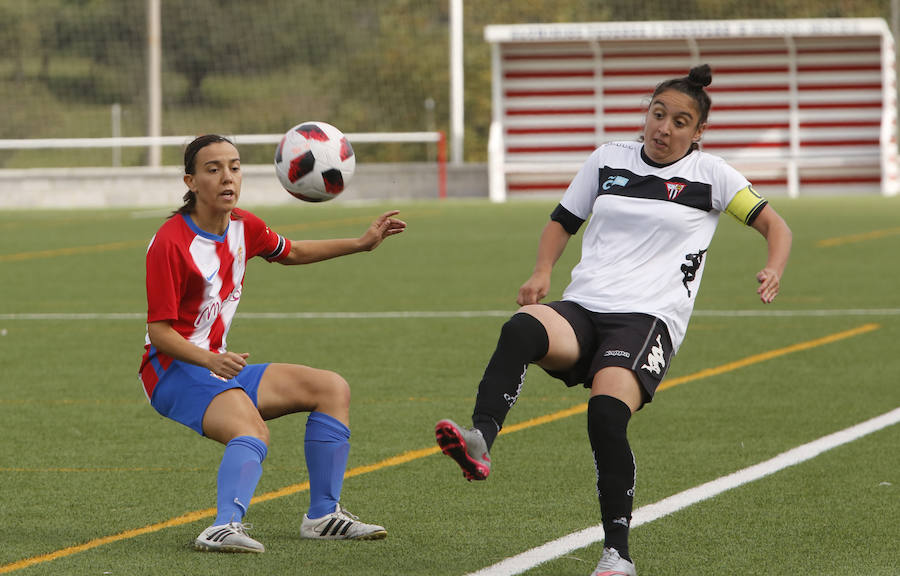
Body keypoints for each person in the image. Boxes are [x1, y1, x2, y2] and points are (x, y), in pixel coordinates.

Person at [434, 64, 791, 576]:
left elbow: (775, 226)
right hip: (584, 307)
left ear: (699, 132)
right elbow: (562, 222)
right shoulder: (608, 160)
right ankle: (480, 440)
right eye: (658, 113)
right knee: (521, 328)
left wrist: (772, 267)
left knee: (605, 416)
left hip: (647, 321)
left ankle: (616, 555)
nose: (664, 128)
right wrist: (541, 272)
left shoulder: (712, 175)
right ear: (646, 113)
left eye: (680, 122)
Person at [139, 134, 406, 553]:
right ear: (190, 181)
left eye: (235, 166)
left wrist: (360, 244)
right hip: (171, 371)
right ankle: (223, 526)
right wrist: (211, 358)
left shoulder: (246, 226)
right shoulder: (171, 243)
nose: (228, 177)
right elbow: (160, 333)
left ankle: (322, 516)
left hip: (216, 367)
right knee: (251, 430)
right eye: (213, 169)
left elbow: (292, 251)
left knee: (330, 388)